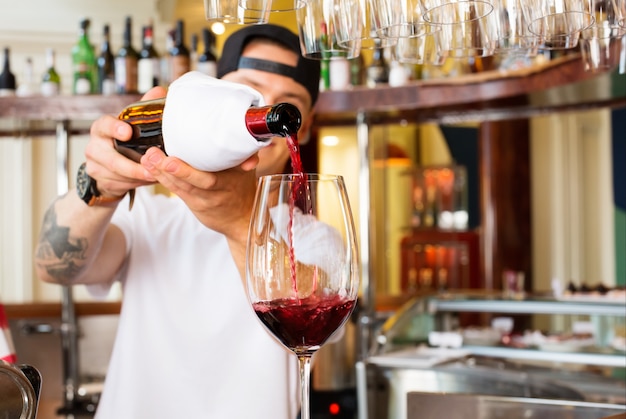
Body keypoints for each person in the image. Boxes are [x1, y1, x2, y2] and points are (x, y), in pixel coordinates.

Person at [34, 24, 320, 419]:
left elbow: (309, 327)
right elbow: (54, 267)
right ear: (215, 95)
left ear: (302, 128)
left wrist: (239, 221)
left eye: (288, 102)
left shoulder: (313, 239)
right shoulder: (151, 214)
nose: (265, 112)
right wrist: (98, 186)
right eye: (249, 92)